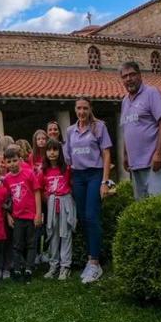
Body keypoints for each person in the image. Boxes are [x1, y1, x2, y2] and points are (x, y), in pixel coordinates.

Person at [64, 97, 112, 284]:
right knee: (83, 218)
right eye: (79, 108)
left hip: (94, 175)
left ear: (90, 108)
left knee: (92, 216)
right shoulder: (70, 131)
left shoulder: (99, 127)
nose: (82, 112)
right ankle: (89, 258)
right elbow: (68, 158)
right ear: (75, 109)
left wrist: (104, 181)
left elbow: (106, 154)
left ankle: (95, 262)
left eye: (85, 108)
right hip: (78, 177)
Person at [119, 61, 161, 199]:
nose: (128, 79)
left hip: (156, 163)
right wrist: (125, 155)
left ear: (140, 75)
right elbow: (127, 128)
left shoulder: (152, 93)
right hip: (136, 164)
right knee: (142, 207)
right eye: (125, 76)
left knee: (159, 205)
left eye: (132, 74)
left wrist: (159, 154)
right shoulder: (125, 101)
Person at [2, 147, 42, 283]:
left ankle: (29, 268)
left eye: (14, 160)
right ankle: (17, 269)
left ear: (20, 160)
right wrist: (8, 216)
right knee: (17, 245)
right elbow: (7, 199)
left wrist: (38, 214)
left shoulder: (29, 173)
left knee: (31, 244)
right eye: (9, 162)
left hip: (31, 216)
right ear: (5, 163)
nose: (12, 164)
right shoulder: (7, 179)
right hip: (17, 217)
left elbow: (37, 192)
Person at [40, 139, 75, 281]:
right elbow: (41, 189)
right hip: (52, 203)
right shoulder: (44, 170)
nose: (52, 153)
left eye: (55, 149)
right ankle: (53, 265)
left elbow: (72, 184)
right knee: (52, 234)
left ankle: (65, 266)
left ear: (60, 152)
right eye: (49, 150)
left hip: (65, 201)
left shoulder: (66, 169)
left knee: (65, 233)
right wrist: (48, 199)